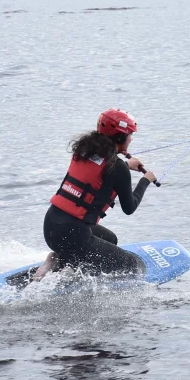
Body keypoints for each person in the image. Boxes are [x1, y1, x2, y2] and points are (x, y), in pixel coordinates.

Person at [33, 108, 156, 281]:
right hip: (74, 235)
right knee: (132, 265)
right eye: (129, 134)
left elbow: (100, 170)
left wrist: (126, 164)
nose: (131, 138)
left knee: (110, 239)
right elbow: (129, 207)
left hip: (51, 226)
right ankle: (67, 264)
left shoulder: (84, 151)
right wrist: (146, 180)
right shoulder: (118, 169)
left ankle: (59, 259)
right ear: (120, 137)